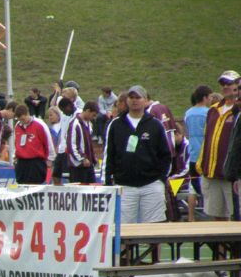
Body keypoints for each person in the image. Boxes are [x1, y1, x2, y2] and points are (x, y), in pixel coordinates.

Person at [103, 85, 172, 224]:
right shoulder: (116, 125)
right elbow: (109, 154)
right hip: (125, 185)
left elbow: (165, 155)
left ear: (145, 100)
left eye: (138, 97)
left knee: (154, 228)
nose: (134, 100)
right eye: (131, 97)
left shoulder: (155, 124)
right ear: (127, 100)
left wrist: (161, 179)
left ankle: (153, 247)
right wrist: (109, 180)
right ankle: (126, 248)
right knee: (123, 228)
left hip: (151, 184)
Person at [196, 70, 240, 221]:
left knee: (236, 219)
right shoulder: (213, 110)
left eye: (229, 83)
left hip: (232, 176)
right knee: (216, 220)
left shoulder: (238, 110)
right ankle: (221, 246)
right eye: (222, 83)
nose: (225, 87)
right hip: (212, 172)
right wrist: (201, 164)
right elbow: (207, 139)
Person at [183, 85, 212, 222]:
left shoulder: (188, 113)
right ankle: (211, 216)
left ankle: (191, 217)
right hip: (205, 156)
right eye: (210, 97)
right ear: (205, 97)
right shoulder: (208, 112)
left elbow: (187, 133)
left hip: (192, 155)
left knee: (193, 187)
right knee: (208, 189)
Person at [13, 104, 54, 185]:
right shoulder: (17, 125)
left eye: (23, 119)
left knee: (34, 185)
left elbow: (48, 141)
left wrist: (50, 158)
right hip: (21, 162)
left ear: (27, 114)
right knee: (21, 185)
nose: (22, 121)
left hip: (35, 162)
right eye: (19, 119)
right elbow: (16, 142)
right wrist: (15, 156)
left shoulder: (39, 124)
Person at [66, 101, 99, 184]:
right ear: (87, 111)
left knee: (92, 189)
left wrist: (93, 156)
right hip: (78, 166)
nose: (94, 118)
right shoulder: (75, 124)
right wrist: (82, 159)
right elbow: (72, 145)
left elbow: (89, 143)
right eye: (93, 115)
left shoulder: (88, 124)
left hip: (88, 164)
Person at [51, 96, 75, 185]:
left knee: (69, 176)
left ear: (69, 106)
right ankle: (58, 193)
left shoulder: (77, 114)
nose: (63, 112)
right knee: (55, 175)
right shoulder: (64, 114)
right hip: (62, 149)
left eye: (63, 109)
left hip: (70, 150)